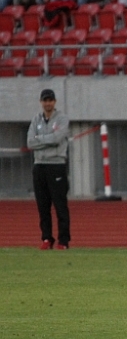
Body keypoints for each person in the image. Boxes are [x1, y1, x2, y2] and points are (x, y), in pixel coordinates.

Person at [27, 89, 71, 250]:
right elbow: (30, 142)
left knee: (60, 205)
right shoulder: (36, 119)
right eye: (45, 100)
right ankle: (46, 238)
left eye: (50, 100)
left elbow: (57, 138)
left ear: (54, 101)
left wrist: (39, 139)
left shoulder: (62, 119)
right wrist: (47, 140)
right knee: (42, 205)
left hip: (56, 165)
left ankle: (63, 240)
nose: (48, 103)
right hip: (39, 165)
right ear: (41, 102)